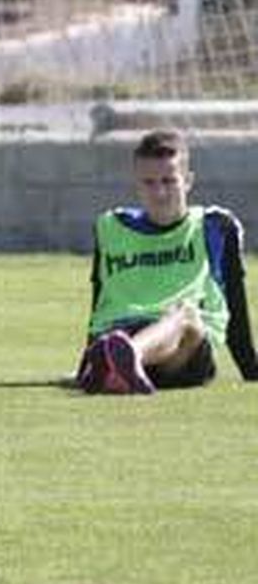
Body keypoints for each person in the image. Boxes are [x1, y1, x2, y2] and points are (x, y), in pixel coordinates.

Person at [75, 129, 256, 394]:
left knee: (186, 314)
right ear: (136, 184)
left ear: (188, 181)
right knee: (118, 338)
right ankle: (115, 363)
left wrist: (251, 369)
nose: (159, 192)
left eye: (169, 181)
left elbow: (235, 308)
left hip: (184, 352)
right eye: (148, 182)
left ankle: (125, 359)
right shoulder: (111, 227)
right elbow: (103, 301)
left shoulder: (215, 227)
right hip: (122, 330)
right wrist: (87, 357)